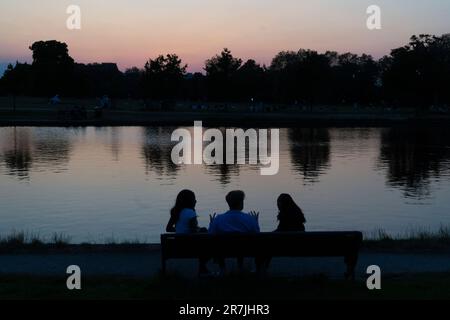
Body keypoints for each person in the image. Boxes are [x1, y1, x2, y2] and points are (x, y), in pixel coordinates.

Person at [209, 190, 260, 273]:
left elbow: (210, 234)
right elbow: (257, 234)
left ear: (228, 203)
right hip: (245, 250)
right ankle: (245, 268)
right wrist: (256, 222)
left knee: (217, 244)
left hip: (223, 250)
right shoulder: (249, 219)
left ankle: (223, 269)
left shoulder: (219, 219)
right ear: (241, 203)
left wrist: (211, 224)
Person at [166, 190, 209, 275]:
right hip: (189, 246)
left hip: (178, 245)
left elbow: (168, 228)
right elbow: (194, 231)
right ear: (190, 201)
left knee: (203, 232)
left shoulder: (177, 212)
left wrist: (180, 229)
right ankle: (202, 269)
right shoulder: (190, 212)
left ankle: (203, 269)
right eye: (194, 199)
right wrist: (201, 230)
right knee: (208, 240)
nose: (196, 201)